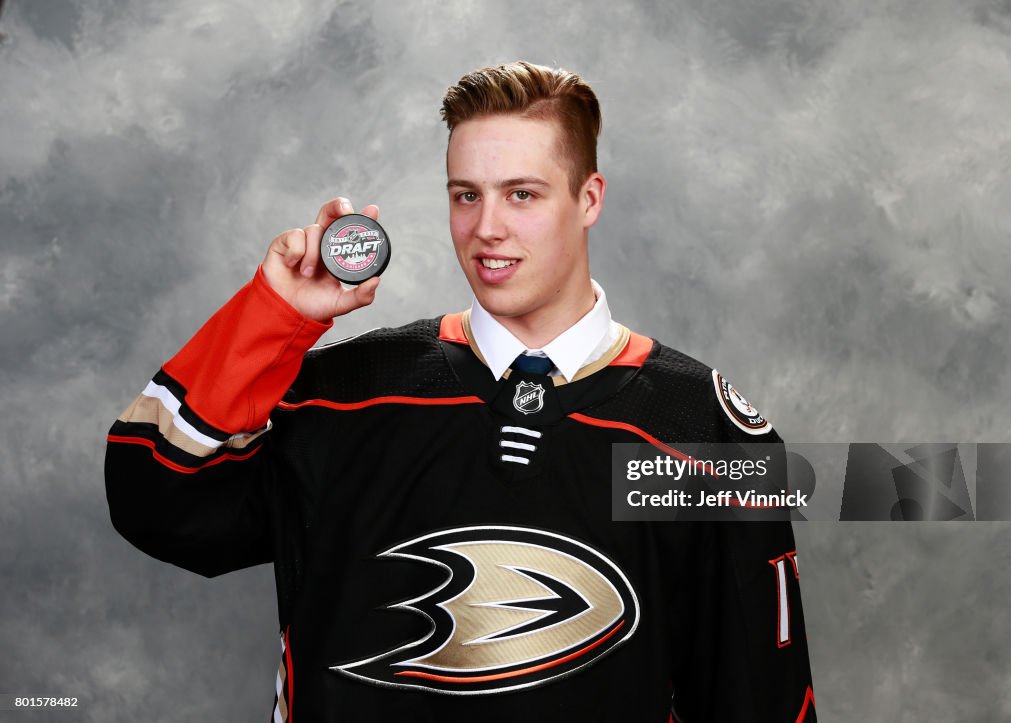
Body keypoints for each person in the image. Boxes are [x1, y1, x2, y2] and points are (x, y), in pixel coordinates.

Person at [105, 61, 815, 722]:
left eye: (522, 195)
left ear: (588, 198)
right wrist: (274, 313)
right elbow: (152, 499)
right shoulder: (345, 398)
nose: (487, 228)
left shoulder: (702, 431)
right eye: (465, 195)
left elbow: (760, 699)